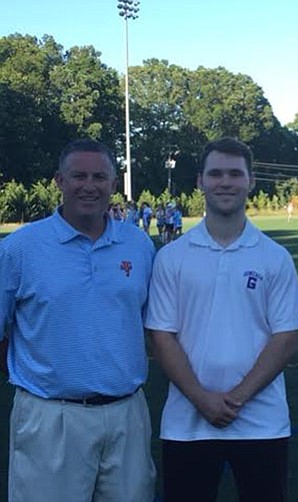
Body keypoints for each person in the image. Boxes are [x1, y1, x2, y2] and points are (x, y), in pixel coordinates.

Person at [145, 137, 298, 502]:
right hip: (187, 426)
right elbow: (161, 336)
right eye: (216, 173)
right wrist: (202, 399)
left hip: (261, 424)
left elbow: (287, 338)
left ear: (251, 182)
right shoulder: (172, 257)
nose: (225, 182)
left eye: (235, 174)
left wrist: (235, 398)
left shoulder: (274, 257)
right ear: (200, 181)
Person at [0, 138, 156, 502]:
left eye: (100, 177)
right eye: (79, 176)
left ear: (114, 185)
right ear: (59, 181)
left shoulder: (139, 245)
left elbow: (149, 325)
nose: (89, 186)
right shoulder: (19, 249)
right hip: (51, 418)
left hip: (126, 414)